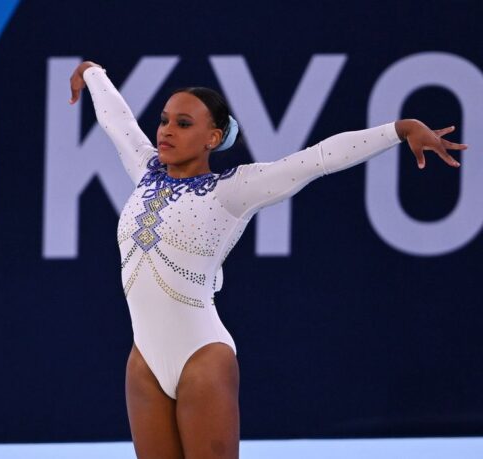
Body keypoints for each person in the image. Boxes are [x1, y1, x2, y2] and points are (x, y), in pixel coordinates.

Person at [68, 60, 467, 459]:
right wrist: (92, 73)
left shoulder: (234, 190)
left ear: (213, 136)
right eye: (165, 120)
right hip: (143, 363)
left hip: (201, 359)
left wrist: (399, 130)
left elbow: (318, 159)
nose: (167, 130)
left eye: (184, 123)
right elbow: (117, 121)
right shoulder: (146, 170)